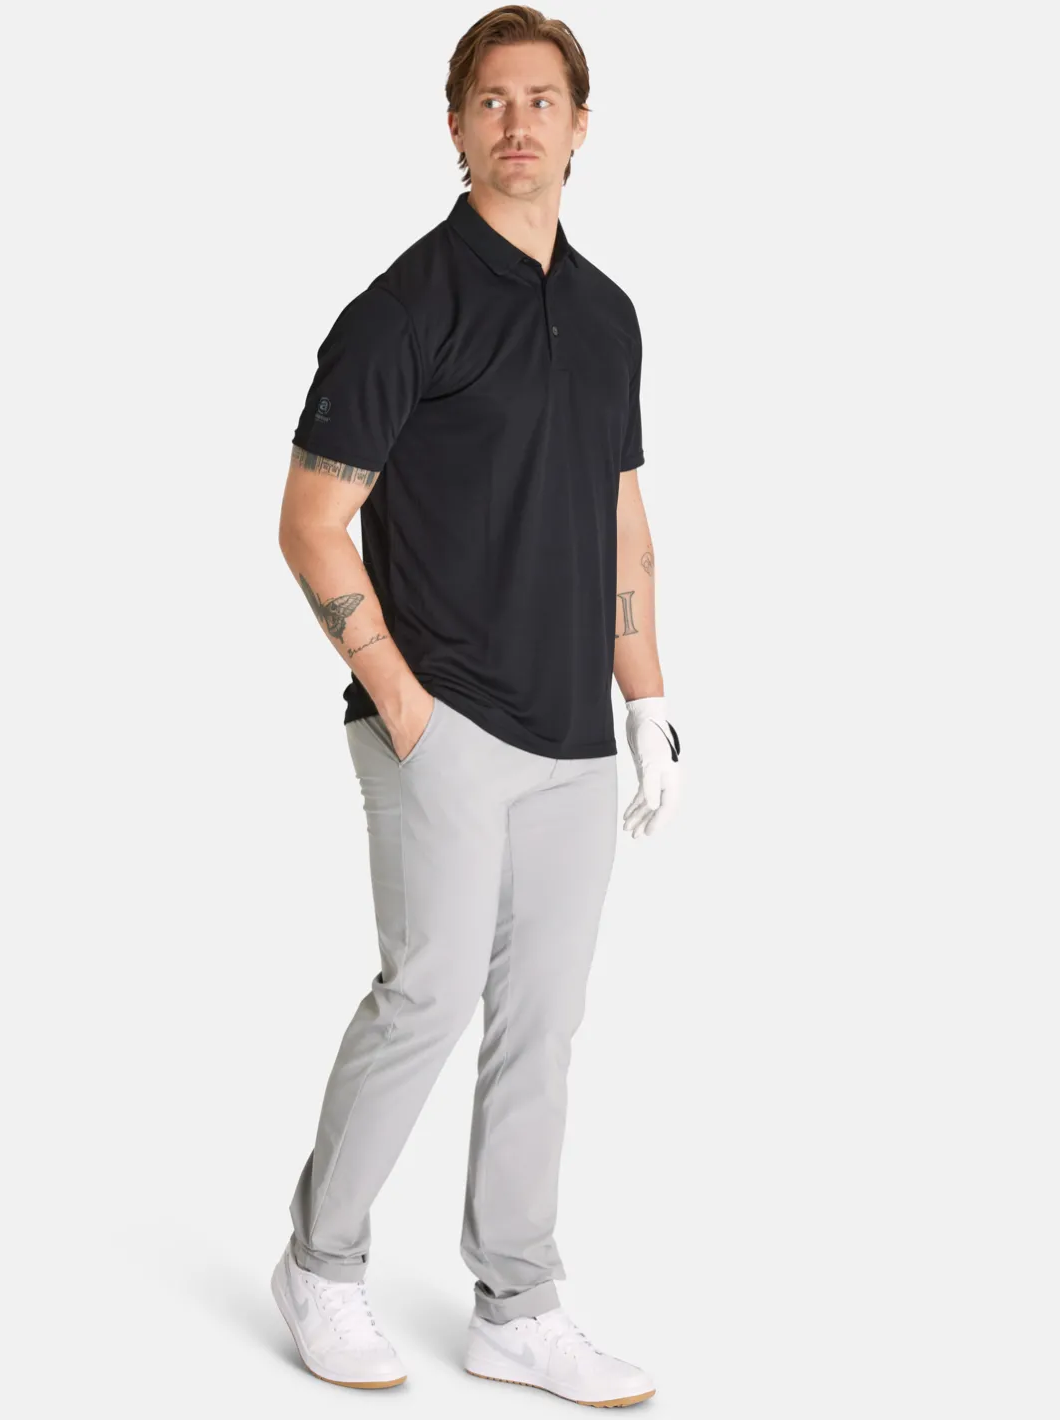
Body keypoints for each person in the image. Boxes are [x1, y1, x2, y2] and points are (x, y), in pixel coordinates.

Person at [271, 5, 682, 1406]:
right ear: (455, 126)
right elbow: (311, 521)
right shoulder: (405, 308)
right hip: (441, 717)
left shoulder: (610, 317)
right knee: (430, 994)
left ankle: (517, 1302)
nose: (518, 122)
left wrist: (647, 703)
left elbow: (622, 520)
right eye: (492, 100)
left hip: (574, 734)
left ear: (580, 126)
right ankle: (322, 1265)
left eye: (542, 99)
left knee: (541, 1025)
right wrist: (404, 706)